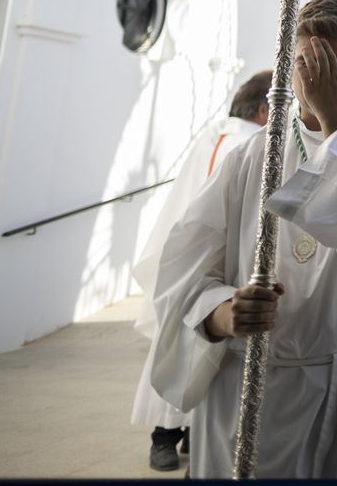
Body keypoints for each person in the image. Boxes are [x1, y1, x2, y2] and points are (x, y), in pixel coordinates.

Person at [148, 0, 337, 478]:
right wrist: (222, 313)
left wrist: (335, 120)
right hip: (256, 385)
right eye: (307, 63)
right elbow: (183, 269)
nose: (322, 77)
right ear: (287, 63)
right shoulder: (251, 156)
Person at [129, 71, 269, 472]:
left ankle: (182, 433)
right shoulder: (252, 143)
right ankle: (165, 435)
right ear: (264, 109)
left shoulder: (214, 135)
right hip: (214, 258)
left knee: (193, 346)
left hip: (196, 257)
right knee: (191, 345)